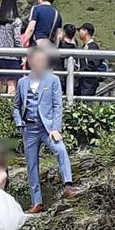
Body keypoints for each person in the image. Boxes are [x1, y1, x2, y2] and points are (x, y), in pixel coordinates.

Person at [13, 47, 76, 214]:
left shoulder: (53, 80)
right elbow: (16, 106)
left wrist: (55, 128)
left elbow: (58, 106)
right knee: (32, 164)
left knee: (60, 149)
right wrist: (20, 123)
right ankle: (37, 202)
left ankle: (68, 185)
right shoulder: (22, 82)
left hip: (47, 128)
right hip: (29, 128)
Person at [0, 0, 23, 94]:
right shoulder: (16, 21)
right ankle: (10, 105)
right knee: (11, 83)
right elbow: (17, 39)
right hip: (12, 56)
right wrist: (22, 53)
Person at [77, 22, 102, 98]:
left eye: (80, 30)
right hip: (84, 82)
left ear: (86, 31)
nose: (79, 33)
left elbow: (93, 64)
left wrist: (80, 71)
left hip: (89, 82)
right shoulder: (85, 46)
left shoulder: (92, 47)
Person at [55, 24, 79, 94]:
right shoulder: (76, 48)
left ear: (64, 33)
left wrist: (58, 40)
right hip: (73, 80)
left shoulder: (60, 46)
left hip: (60, 78)